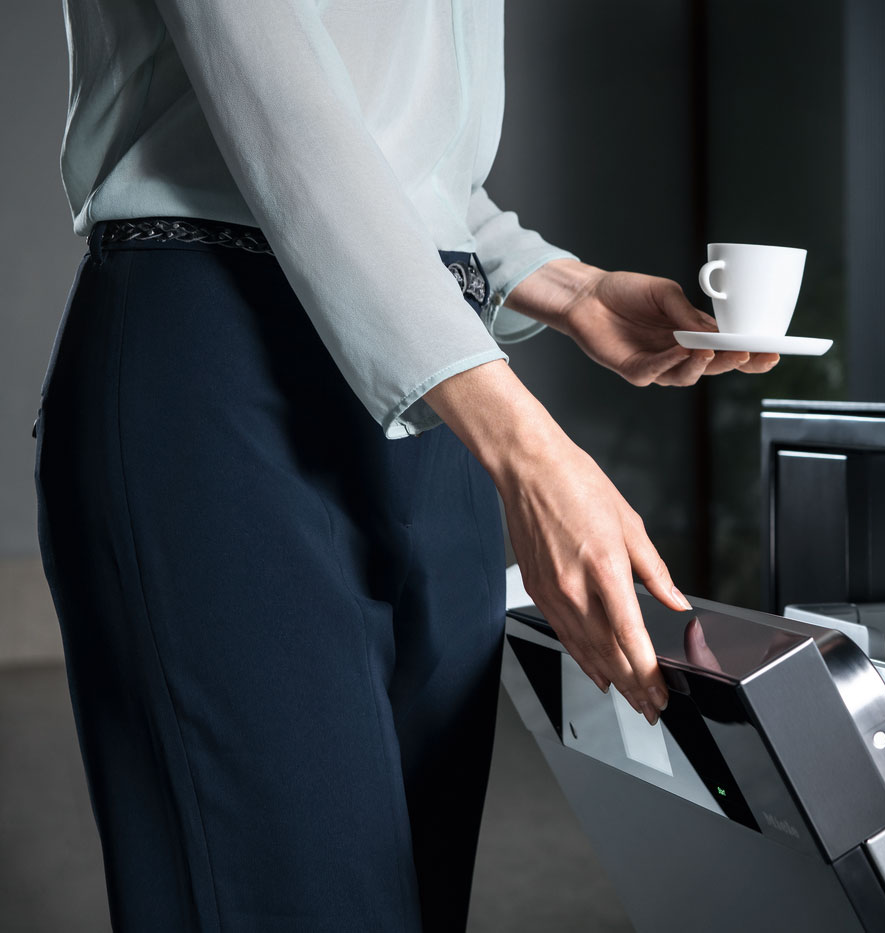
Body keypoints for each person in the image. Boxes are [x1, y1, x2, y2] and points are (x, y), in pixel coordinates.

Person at [35, 2, 777, 930]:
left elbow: (410, 160)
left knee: (414, 899)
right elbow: (277, 106)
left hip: (438, 393)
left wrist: (569, 286)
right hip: (221, 367)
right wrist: (530, 449)